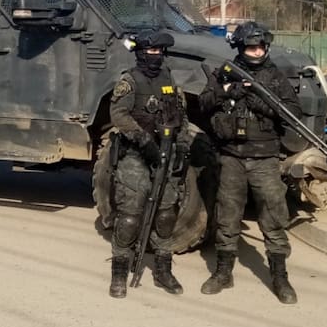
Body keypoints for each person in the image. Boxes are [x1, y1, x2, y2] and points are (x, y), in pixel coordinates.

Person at [199, 21, 301, 304]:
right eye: (250, 47)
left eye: (260, 47)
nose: (256, 52)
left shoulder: (275, 77)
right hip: (231, 156)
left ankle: (280, 277)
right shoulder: (226, 73)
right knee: (227, 215)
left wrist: (258, 102)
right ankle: (223, 272)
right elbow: (205, 102)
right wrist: (227, 92)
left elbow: (292, 112)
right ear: (241, 48)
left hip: (265, 159)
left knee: (273, 216)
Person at [108, 29, 190, 299]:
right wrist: (143, 141)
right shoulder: (130, 81)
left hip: (165, 153)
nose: (155, 56)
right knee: (130, 217)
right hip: (136, 153)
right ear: (141, 52)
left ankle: (163, 271)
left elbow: (180, 116)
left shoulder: (169, 80)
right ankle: (119, 272)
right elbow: (118, 115)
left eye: (159, 52)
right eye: (151, 51)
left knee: (166, 214)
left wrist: (182, 146)